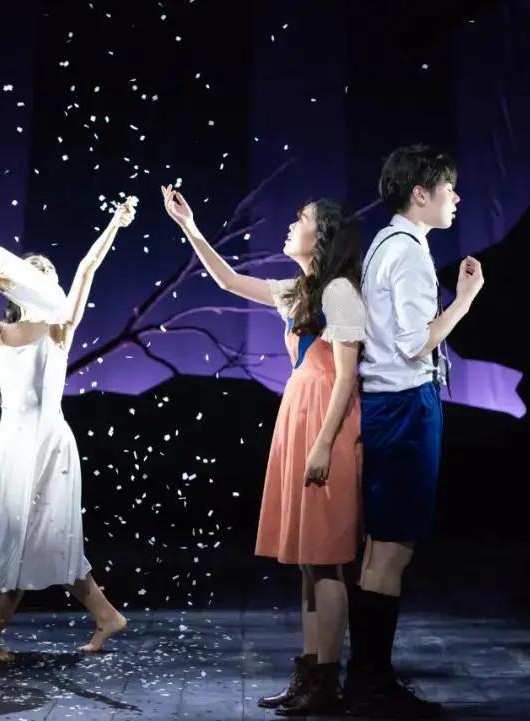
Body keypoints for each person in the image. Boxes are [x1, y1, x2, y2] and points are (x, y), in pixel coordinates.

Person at [163, 185, 364, 715]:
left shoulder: (340, 293)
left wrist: (324, 443)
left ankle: (327, 681)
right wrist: (190, 227)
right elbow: (228, 280)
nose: (292, 224)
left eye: (302, 218)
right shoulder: (298, 291)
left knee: (326, 559)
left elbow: (346, 377)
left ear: (323, 235)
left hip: (326, 421)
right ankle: (309, 672)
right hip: (298, 414)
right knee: (307, 561)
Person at [346, 144, 484, 718]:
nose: (457, 198)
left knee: (382, 548)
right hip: (404, 405)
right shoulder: (406, 252)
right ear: (420, 194)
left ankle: (368, 679)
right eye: (448, 189)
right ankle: (371, 684)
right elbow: (412, 343)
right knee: (392, 550)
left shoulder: (388, 242)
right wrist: (464, 302)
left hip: (389, 403)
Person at [0, 199, 136, 662]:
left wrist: (114, 224)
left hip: (47, 445)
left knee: (33, 539)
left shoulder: (60, 327)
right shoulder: (1, 331)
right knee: (33, 539)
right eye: (33, 272)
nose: (42, 277)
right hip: (13, 445)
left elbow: (87, 267)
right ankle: (106, 616)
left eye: (47, 273)